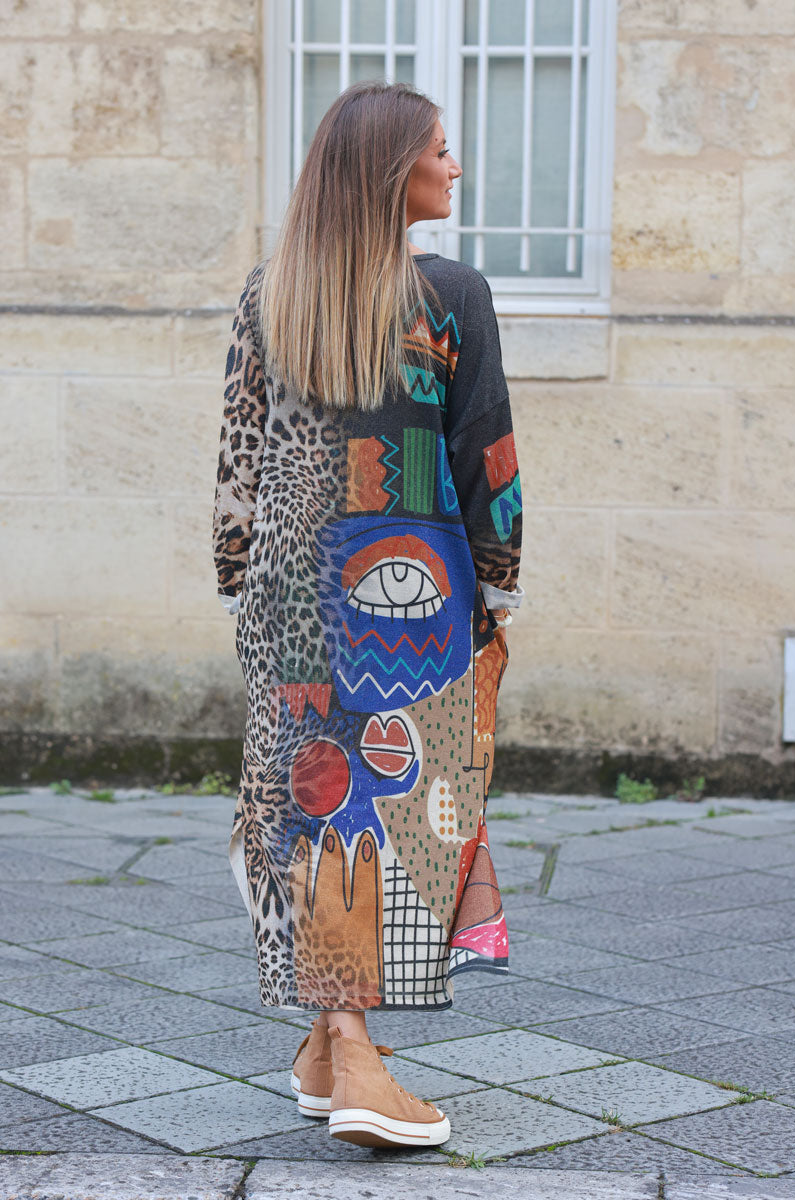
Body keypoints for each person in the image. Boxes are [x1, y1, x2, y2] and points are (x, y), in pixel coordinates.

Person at [212, 80, 524, 1150]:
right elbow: (488, 453)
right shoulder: (449, 295)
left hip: (289, 597)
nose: (453, 166)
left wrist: (237, 580)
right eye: (440, 150)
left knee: (311, 810)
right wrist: (500, 583)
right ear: (396, 172)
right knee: (387, 816)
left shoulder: (268, 295)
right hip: (411, 592)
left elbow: (237, 463)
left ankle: (320, 1050)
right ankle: (352, 1053)